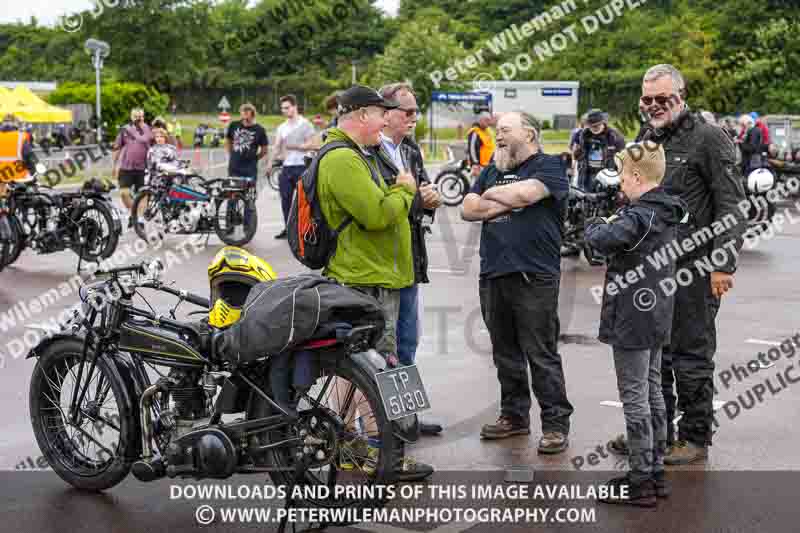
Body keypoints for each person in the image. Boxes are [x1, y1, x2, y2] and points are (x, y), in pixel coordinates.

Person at [608, 64, 746, 465]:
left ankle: (695, 436)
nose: (654, 106)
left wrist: (723, 264)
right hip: (651, 268)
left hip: (694, 269)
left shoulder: (709, 138)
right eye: (647, 99)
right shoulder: (646, 138)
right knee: (656, 355)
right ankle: (656, 429)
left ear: (681, 96)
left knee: (691, 354)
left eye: (662, 98)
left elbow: (733, 206)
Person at [316, 84, 434, 481]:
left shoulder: (365, 154)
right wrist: (405, 191)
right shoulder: (341, 160)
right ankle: (383, 456)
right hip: (366, 281)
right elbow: (377, 215)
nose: (388, 120)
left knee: (389, 365)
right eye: (382, 113)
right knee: (379, 370)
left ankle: (385, 444)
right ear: (361, 115)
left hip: (385, 278)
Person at [461, 111, 574, 454]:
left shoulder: (550, 166)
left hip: (534, 275)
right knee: (505, 353)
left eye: (505, 130)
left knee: (541, 353)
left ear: (529, 132)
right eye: (497, 130)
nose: (498, 135)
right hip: (494, 273)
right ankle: (514, 416)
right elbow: (467, 208)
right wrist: (504, 195)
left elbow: (524, 197)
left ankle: (555, 425)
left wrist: (492, 197)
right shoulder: (496, 170)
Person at [585, 142, 687, 506]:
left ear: (638, 176)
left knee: (635, 398)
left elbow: (600, 240)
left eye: (624, 177)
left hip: (633, 315)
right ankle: (655, 471)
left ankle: (640, 480)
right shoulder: (666, 210)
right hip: (658, 311)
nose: (620, 184)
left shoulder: (639, 216)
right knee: (653, 391)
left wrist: (596, 219)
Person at [366, 82, 443, 436]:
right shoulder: (366, 152)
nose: (414, 118)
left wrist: (431, 198)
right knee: (385, 346)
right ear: (386, 114)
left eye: (416, 111)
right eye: (407, 111)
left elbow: (420, 191)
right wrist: (418, 199)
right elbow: (383, 206)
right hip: (382, 266)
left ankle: (406, 420)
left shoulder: (409, 149)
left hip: (410, 260)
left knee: (408, 342)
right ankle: (383, 426)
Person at [269, 95, 315, 239]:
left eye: (287, 107)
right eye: (282, 108)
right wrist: (270, 163)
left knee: (304, 200)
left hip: (302, 166)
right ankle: (288, 229)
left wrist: (294, 146)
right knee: (285, 199)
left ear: (295, 107)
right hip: (287, 167)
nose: (284, 110)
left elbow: (312, 144)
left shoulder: (305, 124)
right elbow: (277, 146)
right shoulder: (282, 127)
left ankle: (306, 228)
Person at [112, 108, 153, 219]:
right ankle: (133, 212)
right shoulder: (124, 130)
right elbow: (116, 148)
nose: (139, 119)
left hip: (143, 168)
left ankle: (139, 219)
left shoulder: (148, 130)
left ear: (143, 117)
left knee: (143, 195)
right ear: (131, 117)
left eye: (141, 116)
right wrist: (114, 166)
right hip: (126, 167)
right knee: (124, 193)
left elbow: (155, 147)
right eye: (136, 116)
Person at [574, 108, 625, 192]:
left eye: (596, 125)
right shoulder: (583, 135)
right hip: (587, 174)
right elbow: (577, 154)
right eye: (591, 125)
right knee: (586, 200)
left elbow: (623, 158)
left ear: (603, 123)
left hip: (607, 175)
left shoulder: (614, 135)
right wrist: (578, 154)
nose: (594, 127)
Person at [225, 102, 269, 182]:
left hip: (249, 168)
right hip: (234, 167)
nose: (245, 112)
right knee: (232, 190)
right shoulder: (234, 125)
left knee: (249, 191)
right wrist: (232, 154)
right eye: (243, 110)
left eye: (247, 110)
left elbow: (264, 150)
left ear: (252, 113)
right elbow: (228, 140)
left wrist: (254, 159)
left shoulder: (259, 130)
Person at [0, 114, 36, 196]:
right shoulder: (21, 137)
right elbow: (28, 156)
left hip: (2, 176)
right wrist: (32, 170)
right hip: (18, 175)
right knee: (29, 197)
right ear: (16, 123)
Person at [466, 111, 496, 179]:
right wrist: (475, 164)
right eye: (486, 120)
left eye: (489, 120)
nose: (488, 123)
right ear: (480, 120)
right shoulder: (475, 132)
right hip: (480, 166)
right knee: (478, 185)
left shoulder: (487, 130)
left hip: (489, 164)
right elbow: (472, 149)